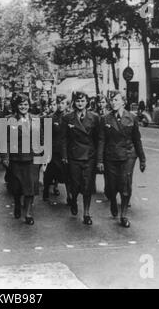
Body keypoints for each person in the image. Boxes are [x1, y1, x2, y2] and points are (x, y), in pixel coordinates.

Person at [97, 91, 146, 228]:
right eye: (112, 100)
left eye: (116, 100)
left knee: (125, 185)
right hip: (111, 156)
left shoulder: (132, 118)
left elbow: (137, 139)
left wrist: (142, 159)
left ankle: (123, 215)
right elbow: (101, 140)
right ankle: (113, 200)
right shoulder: (105, 119)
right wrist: (100, 160)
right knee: (111, 186)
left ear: (123, 102)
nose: (113, 102)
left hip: (128, 155)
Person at [61, 92, 100, 225]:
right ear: (74, 102)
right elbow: (64, 138)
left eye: (83, 101)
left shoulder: (94, 117)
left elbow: (98, 139)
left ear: (87, 102)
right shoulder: (67, 118)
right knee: (74, 184)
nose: (80, 103)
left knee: (87, 185)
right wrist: (65, 155)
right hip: (74, 156)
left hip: (89, 156)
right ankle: (73, 200)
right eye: (77, 101)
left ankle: (87, 213)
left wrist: (97, 156)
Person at [1, 93, 40, 225]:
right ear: (16, 106)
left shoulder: (35, 119)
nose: (24, 107)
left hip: (31, 159)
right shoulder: (9, 120)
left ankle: (28, 213)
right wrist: (5, 157)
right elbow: (5, 140)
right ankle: (17, 203)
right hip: (15, 158)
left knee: (30, 187)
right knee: (16, 187)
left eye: (26, 104)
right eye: (21, 104)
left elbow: (41, 139)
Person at [43, 94, 67, 202]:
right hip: (54, 149)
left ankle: (70, 196)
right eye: (58, 103)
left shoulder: (69, 117)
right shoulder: (51, 118)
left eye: (63, 103)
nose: (60, 105)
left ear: (67, 104)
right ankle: (46, 190)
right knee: (49, 172)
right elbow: (47, 135)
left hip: (66, 150)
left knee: (67, 173)